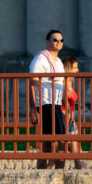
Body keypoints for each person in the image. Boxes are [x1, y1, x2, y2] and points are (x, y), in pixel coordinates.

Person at [29, 29, 66, 169]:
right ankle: (51, 172)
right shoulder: (41, 59)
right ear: (48, 42)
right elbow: (32, 85)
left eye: (61, 40)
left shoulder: (59, 62)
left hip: (56, 105)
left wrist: (64, 108)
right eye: (55, 40)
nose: (58, 42)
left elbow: (60, 85)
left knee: (55, 142)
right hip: (45, 103)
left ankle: (50, 171)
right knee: (53, 142)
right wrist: (33, 110)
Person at [62, 56, 87, 170]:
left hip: (70, 120)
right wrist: (66, 116)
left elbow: (71, 105)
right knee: (74, 151)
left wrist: (74, 121)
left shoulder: (70, 83)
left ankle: (82, 170)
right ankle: (82, 171)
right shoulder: (62, 83)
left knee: (78, 151)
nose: (77, 70)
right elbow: (60, 102)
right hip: (64, 118)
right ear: (68, 69)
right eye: (75, 68)